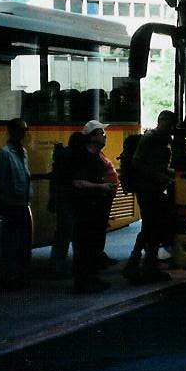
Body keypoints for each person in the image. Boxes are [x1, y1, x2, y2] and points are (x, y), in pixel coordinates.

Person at [123, 110, 176, 284]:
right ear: (161, 121)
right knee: (152, 227)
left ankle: (137, 264)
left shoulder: (163, 139)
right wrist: (159, 176)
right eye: (169, 124)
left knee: (151, 227)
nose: (171, 128)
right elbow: (138, 163)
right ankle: (145, 265)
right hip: (147, 188)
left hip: (153, 187)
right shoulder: (151, 138)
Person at [68, 120, 117, 293]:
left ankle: (92, 278)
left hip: (97, 207)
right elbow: (78, 182)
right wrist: (101, 187)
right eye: (102, 133)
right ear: (92, 136)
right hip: (85, 208)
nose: (105, 136)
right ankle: (83, 281)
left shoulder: (97, 156)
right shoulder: (81, 157)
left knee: (94, 245)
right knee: (85, 245)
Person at [0, 118, 32, 291]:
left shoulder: (22, 151)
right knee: (11, 243)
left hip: (23, 203)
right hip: (11, 204)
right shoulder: (5, 153)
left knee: (23, 243)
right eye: (22, 130)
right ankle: (10, 277)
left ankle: (21, 276)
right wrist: (5, 198)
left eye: (26, 129)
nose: (25, 133)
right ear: (12, 131)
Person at [48, 131, 83, 277]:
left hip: (62, 199)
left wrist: (52, 199)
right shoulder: (75, 157)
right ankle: (70, 265)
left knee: (62, 233)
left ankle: (57, 265)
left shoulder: (62, 156)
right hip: (72, 200)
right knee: (73, 233)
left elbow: (54, 180)